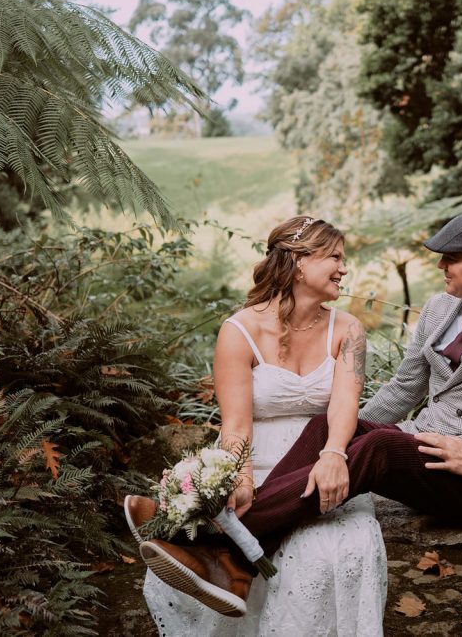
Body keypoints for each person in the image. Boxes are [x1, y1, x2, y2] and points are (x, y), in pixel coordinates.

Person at [141, 209, 462, 616]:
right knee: (327, 427)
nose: (440, 267)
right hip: (427, 449)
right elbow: (405, 387)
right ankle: (235, 563)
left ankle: (216, 543)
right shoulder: (440, 308)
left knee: (380, 446)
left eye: (450, 258)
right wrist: (343, 432)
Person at [124, 216, 387, 635]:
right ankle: (220, 552)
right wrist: (240, 477)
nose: (344, 268)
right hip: (260, 458)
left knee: (335, 549)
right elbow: (236, 425)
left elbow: (343, 407)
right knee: (245, 507)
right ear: (299, 263)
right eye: (335, 257)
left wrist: (335, 455)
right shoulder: (238, 331)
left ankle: (212, 551)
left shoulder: (349, 330)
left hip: (325, 453)